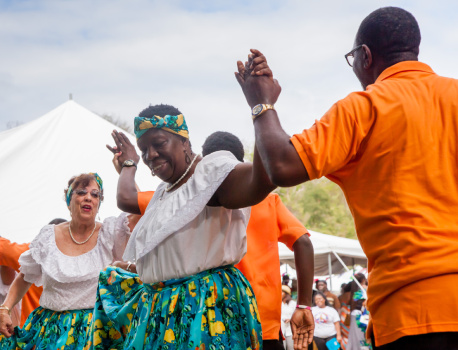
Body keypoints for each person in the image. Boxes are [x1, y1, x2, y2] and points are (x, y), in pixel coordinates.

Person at [236, 6, 458, 349]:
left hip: (411, 312)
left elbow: (280, 165)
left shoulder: (364, 109)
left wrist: (261, 104)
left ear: (365, 56)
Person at [94, 104, 314, 350]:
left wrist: (261, 108)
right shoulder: (163, 193)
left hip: (203, 313)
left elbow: (263, 180)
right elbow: (173, 251)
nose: (151, 155)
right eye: (144, 149)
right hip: (163, 317)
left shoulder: (209, 175)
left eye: (159, 143)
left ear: (185, 142)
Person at [0, 173, 136, 350]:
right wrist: (4, 310)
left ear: (99, 203)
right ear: (69, 200)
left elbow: (142, 210)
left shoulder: (111, 233)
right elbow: (24, 277)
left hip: (97, 333)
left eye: (95, 195)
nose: (88, 198)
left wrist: (126, 168)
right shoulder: (47, 237)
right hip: (50, 332)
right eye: (81, 192)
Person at [281, 285, 297, 350]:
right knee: (282, 347)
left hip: (290, 329)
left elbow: (296, 314)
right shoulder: (278, 303)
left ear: (286, 294)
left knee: (291, 347)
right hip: (281, 329)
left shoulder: (292, 303)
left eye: (282, 292)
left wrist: (291, 319)